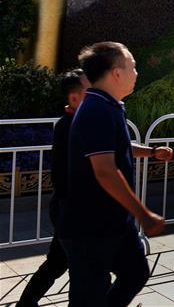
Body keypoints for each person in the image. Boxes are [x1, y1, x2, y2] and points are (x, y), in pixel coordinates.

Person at [60, 42, 173, 306]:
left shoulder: (110, 106)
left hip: (112, 222)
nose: (137, 72)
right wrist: (143, 214)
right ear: (116, 73)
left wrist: (151, 152)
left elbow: (117, 147)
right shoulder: (96, 110)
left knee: (135, 273)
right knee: (89, 297)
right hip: (89, 226)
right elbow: (105, 172)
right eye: (132, 66)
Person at [16, 70, 88, 307]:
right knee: (85, 269)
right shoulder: (71, 126)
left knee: (58, 262)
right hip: (72, 207)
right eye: (91, 90)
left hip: (70, 207)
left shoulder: (77, 123)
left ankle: (25, 304)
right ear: (75, 97)